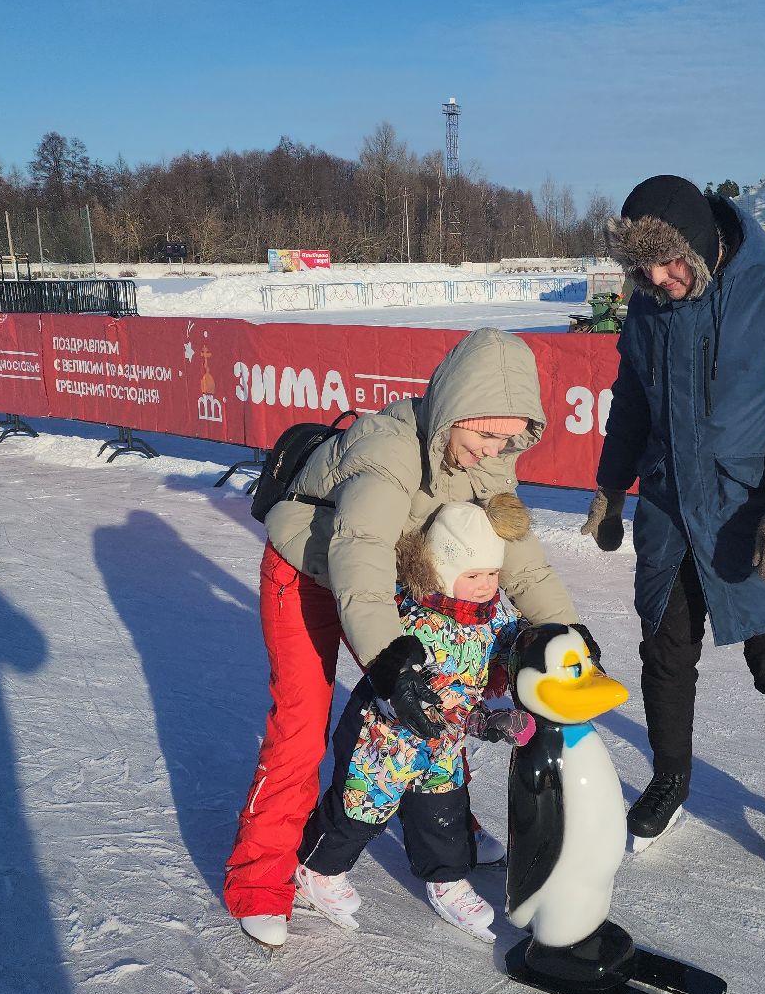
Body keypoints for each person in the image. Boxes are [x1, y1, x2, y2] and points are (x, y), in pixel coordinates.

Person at [226, 327, 590, 947]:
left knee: (447, 689)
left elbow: (520, 559)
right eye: (482, 435)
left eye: (506, 438)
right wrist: (390, 662)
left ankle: (448, 825)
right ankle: (260, 880)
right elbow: (360, 552)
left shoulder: (490, 463)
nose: (490, 451)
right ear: (452, 412)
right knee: (304, 721)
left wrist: (564, 628)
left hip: (396, 578)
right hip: (309, 570)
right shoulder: (388, 450)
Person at [581, 175, 765, 866]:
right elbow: (632, 403)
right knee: (664, 654)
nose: (659, 279)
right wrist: (612, 487)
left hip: (752, 511)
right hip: (670, 511)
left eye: (670, 263)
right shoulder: (646, 309)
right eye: (643, 267)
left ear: (700, 246)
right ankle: (671, 776)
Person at [293, 502, 535, 943]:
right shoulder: (412, 617)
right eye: (473, 575)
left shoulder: (499, 617)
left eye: (492, 574)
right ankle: (318, 870)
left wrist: (490, 716)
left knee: (443, 812)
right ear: (442, 571)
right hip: (384, 739)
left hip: (442, 743)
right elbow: (380, 648)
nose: (485, 586)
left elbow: (508, 659)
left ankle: (447, 881)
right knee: (360, 811)